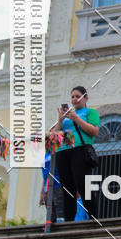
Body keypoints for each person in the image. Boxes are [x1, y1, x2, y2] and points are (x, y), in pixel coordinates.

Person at [49, 86, 100, 221]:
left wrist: (76, 118)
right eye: (72, 97)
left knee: (83, 185)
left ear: (86, 97)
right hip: (63, 152)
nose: (74, 99)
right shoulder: (66, 117)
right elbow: (53, 137)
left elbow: (94, 131)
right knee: (67, 188)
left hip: (80, 150)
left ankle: (93, 217)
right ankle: (69, 221)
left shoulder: (90, 112)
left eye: (78, 96)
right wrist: (60, 119)